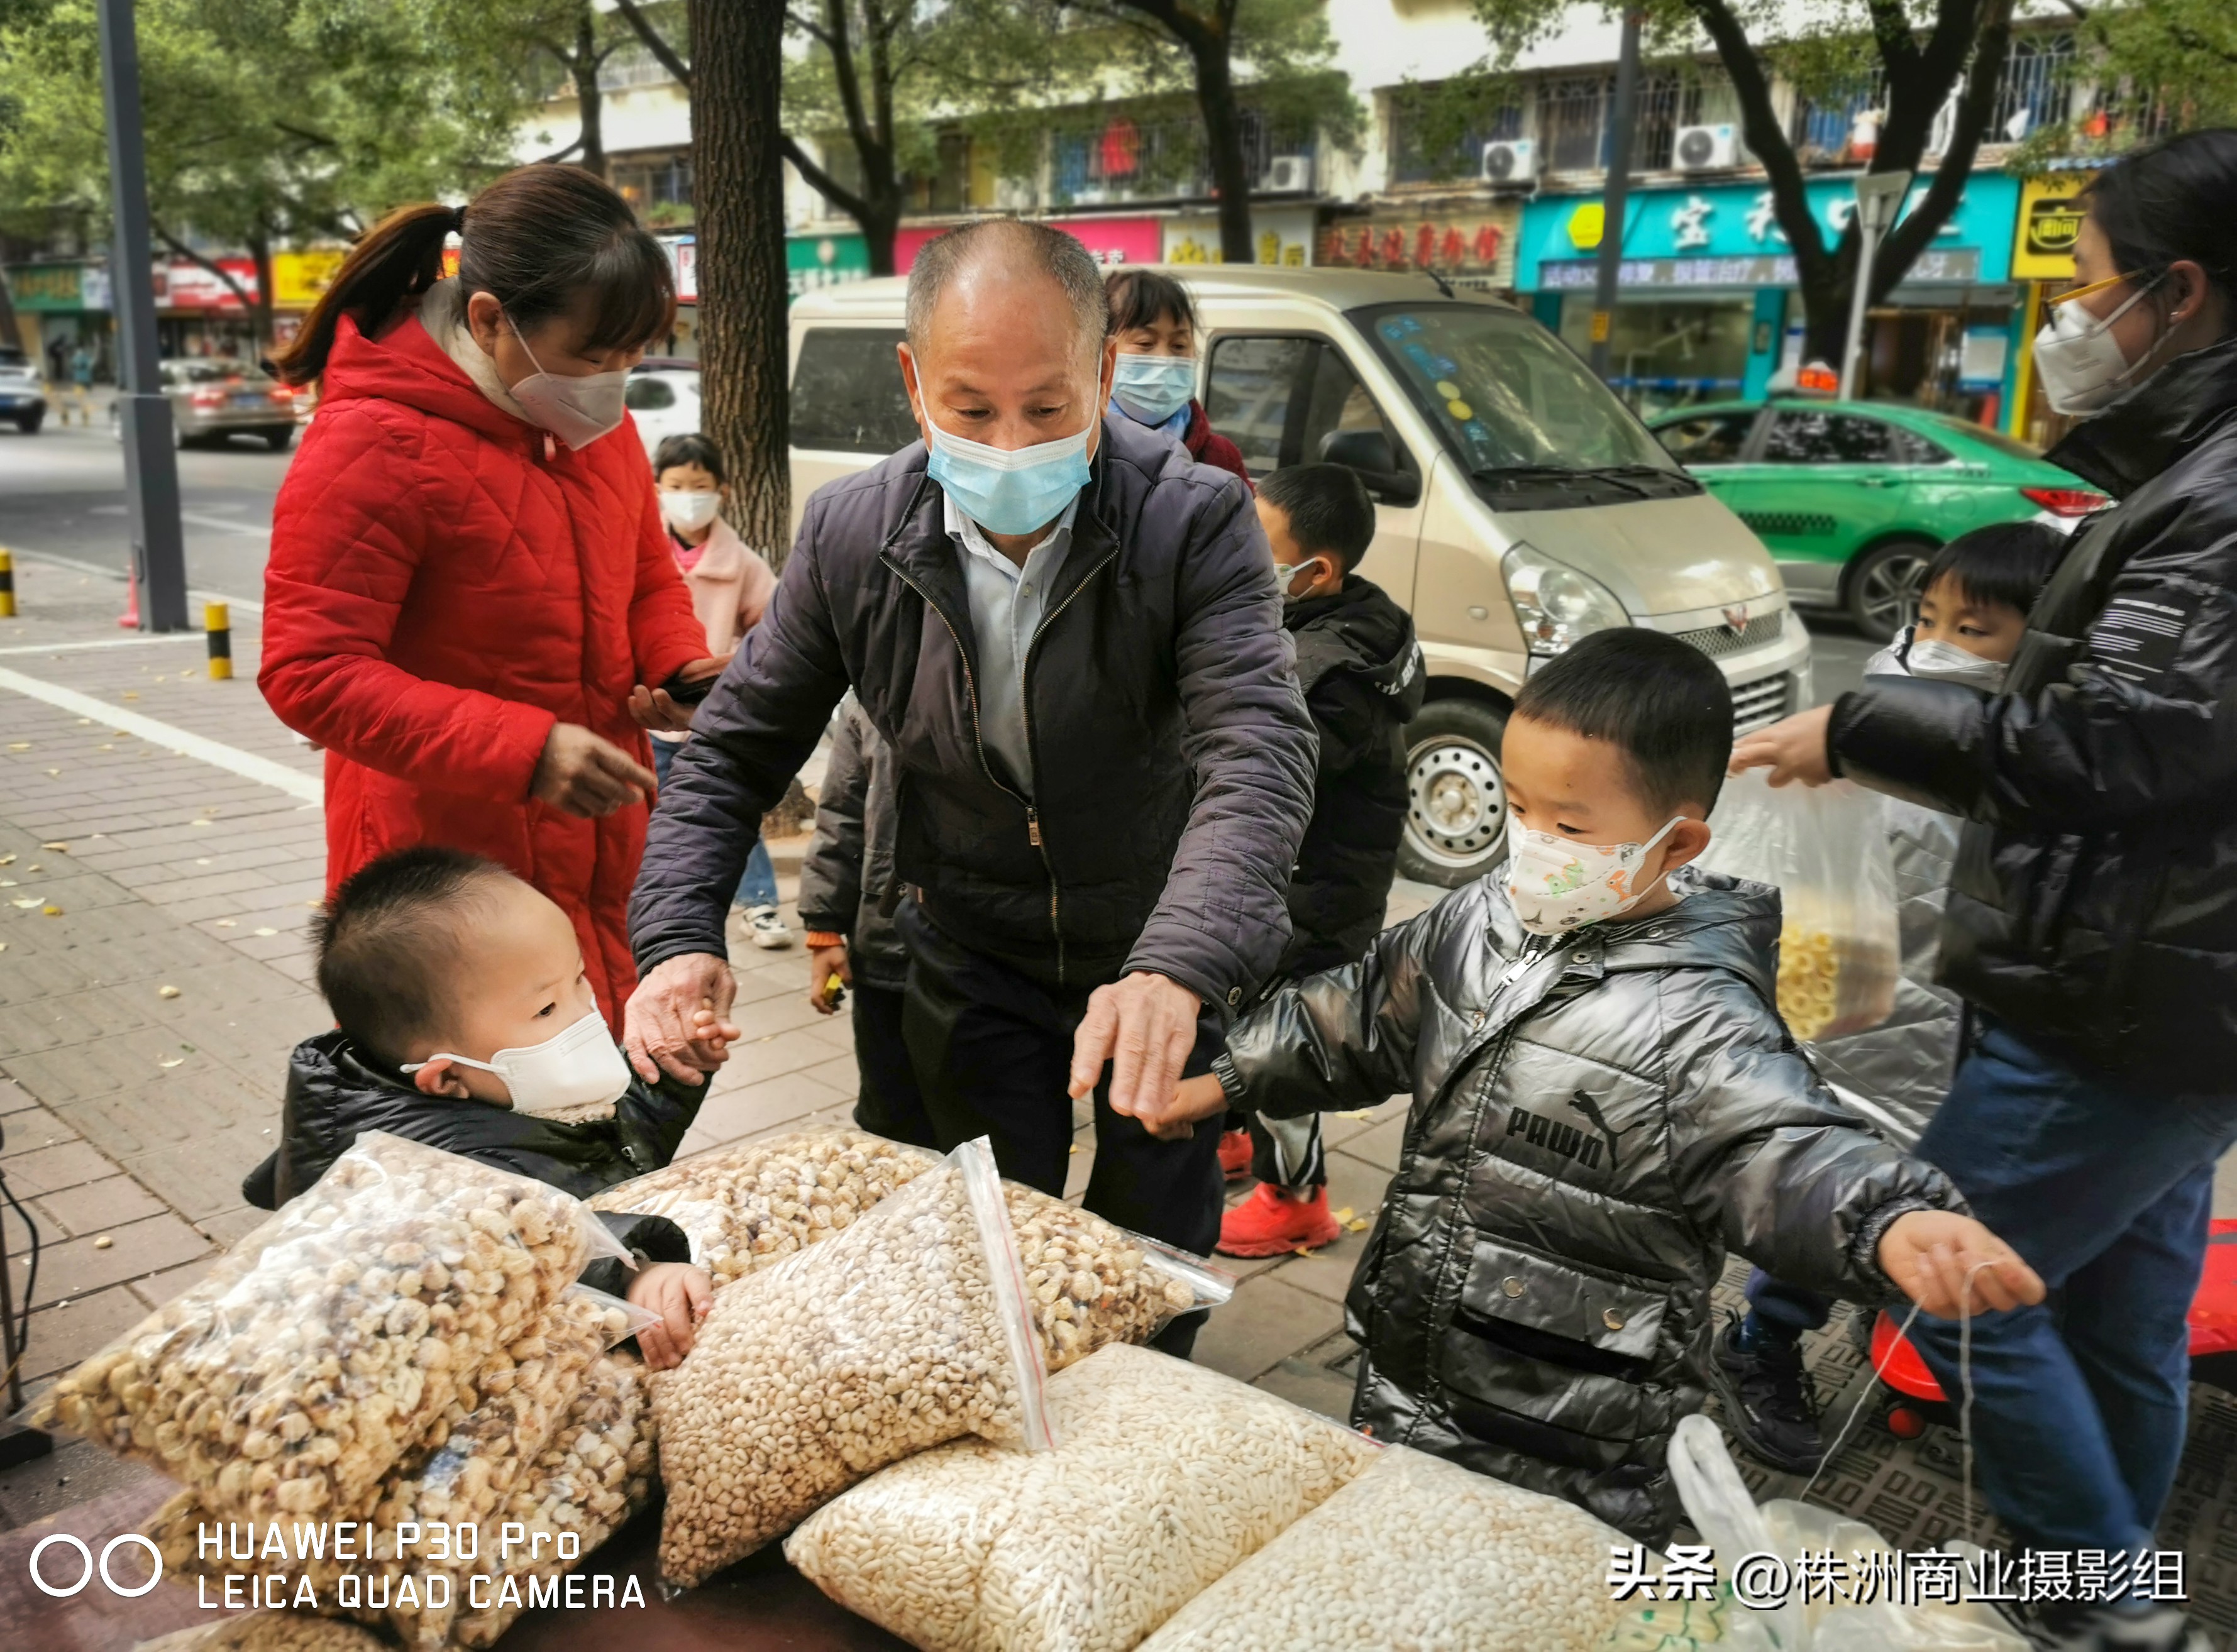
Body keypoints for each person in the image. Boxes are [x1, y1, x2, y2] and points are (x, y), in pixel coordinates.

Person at [1136, 627, 2041, 1542]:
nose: (1532, 845)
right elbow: (1355, 1015)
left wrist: (1889, 1217)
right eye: (1518, 808)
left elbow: (1779, 1142)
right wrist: (1219, 1078)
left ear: (1676, 840)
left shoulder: (1697, 1018)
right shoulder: (1476, 918)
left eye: (1569, 828)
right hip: (1410, 1378)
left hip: (1586, 1434)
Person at [626, 220, 1317, 1348]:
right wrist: (674, 936)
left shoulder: (1192, 520)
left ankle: (1129, 1460)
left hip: (1152, 937)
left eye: (1048, 409)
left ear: (1100, 375)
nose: (1009, 445)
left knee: (1148, 1259)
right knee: (984, 1247)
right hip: (968, 943)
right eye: (970, 408)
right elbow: (732, 750)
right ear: (911, 384)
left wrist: (1177, 963)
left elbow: (1257, 746)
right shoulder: (854, 532)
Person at [1732, 129, 2237, 1652]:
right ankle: (2095, 1595)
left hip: (2120, 998)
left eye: (2085, 286)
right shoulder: (2190, 477)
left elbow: (2113, 743)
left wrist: (1860, 722)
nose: (2067, 322)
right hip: (2161, 995)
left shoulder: (2218, 506)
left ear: (2182, 291)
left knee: (1931, 1278)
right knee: (2113, 1321)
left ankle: (2103, 1611)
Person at [259, 165, 719, 1037]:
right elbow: (308, 671)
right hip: (444, 893)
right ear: (486, 319)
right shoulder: (371, 442)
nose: (615, 382)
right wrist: (525, 750)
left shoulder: (599, 428)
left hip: (595, 851)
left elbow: (645, 575)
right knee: (480, 1138)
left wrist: (674, 663)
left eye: (633, 355)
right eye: (593, 356)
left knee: (598, 1109)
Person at [1711, 520, 2068, 1475]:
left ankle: (1910, 1358)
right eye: (1928, 617)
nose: (1938, 642)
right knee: (1837, 1199)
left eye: (1976, 628)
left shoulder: (2044, 760)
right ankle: (1761, 1340)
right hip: (1873, 1026)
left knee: (1942, 1212)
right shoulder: (1873, 730)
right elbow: (1825, 907)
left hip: (1988, 1040)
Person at [240, 847, 719, 1370]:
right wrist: (632, 1272)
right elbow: (509, 1262)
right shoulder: (416, 1181)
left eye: (579, 978)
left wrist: (670, 1073)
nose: (586, 1011)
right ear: (445, 1076)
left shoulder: (509, 1089)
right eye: (546, 1008)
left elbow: (610, 1146)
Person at [1214, 463, 1423, 1258]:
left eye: (1255, 547)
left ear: (1318, 571)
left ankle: (1296, 1198)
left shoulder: (1328, 675)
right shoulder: (1345, 624)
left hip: (1315, 892)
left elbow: (1259, 768)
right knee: (1234, 1016)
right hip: (1304, 882)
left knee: (1282, 1045)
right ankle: (1232, 1137)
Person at [648, 432, 789, 950]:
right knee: (650, 815)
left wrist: (732, 675)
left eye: (700, 485)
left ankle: (759, 904)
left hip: (714, 715)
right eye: (677, 485)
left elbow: (773, 630)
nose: (689, 495)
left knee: (729, 812)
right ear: (657, 488)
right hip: (648, 712)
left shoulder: (743, 564)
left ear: (723, 490)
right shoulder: (641, 554)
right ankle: (656, 912)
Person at [797, 693, 937, 1148]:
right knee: (889, 1113)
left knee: (974, 1115)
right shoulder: (866, 697)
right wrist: (823, 929)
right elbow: (840, 815)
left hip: (982, 953)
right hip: (885, 947)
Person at [1103, 268, 1250, 486]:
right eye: (1145, 343)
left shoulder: (1221, 457)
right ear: (1104, 353)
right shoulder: (1076, 447)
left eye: (1179, 346)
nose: (1165, 359)